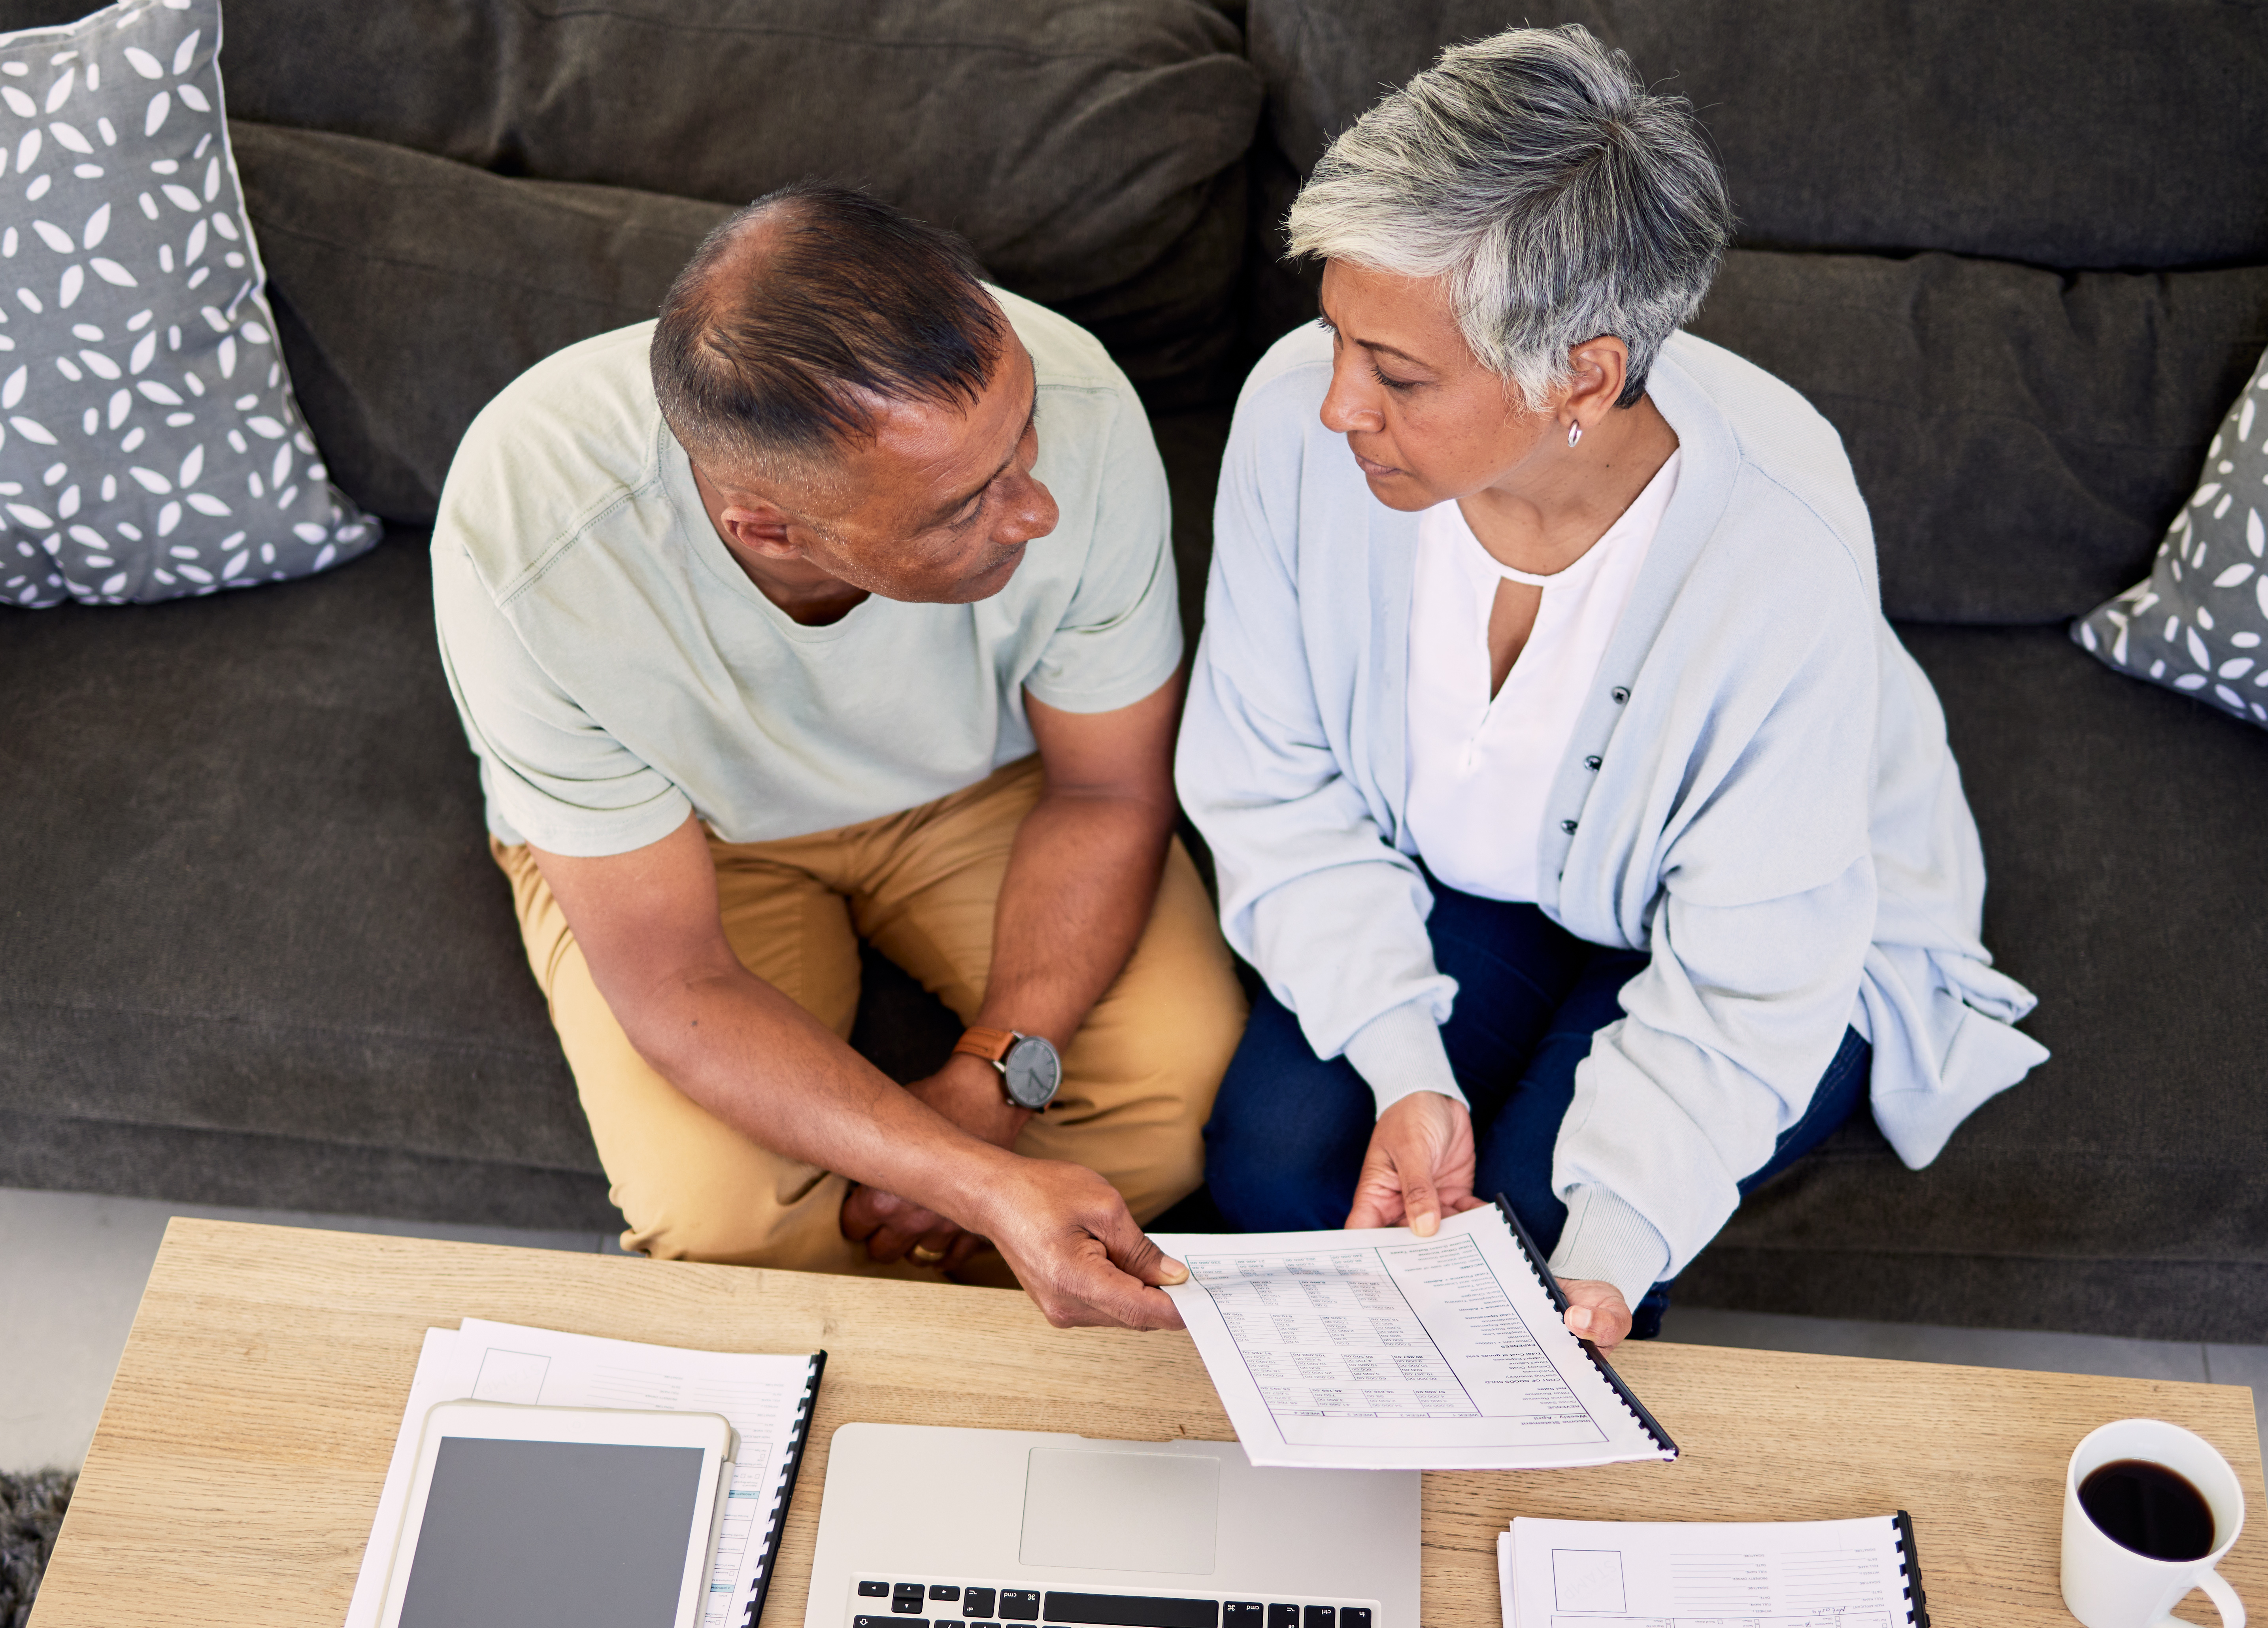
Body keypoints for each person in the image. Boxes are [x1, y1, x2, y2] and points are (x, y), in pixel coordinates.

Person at [1176, 27, 2047, 1349]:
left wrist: (1619, 1247)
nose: (1335, 403)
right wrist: (1408, 1066)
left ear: (1582, 373)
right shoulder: (1297, 427)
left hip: (1761, 925)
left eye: (1397, 374)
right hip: (1475, 874)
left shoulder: (1781, 545)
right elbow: (1268, 774)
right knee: (1277, 1169)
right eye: (1335, 332)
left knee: (1532, 1236)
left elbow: (1755, 969)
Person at [434, 183, 1244, 1329]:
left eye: (1025, 441)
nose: (1038, 510)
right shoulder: (528, 531)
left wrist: (993, 1079)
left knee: (1172, 1102)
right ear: (769, 527)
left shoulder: (1081, 397)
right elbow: (675, 980)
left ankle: (960, 1346)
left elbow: (1108, 787)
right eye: (967, 504)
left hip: (987, 785)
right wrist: (974, 1178)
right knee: (721, 1219)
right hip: (689, 834)